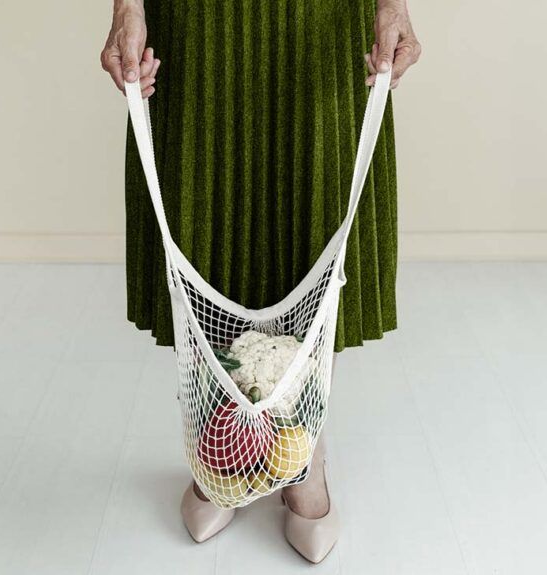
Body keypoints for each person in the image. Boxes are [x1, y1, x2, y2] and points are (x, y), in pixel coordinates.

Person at [100, 0, 420, 563]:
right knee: (205, 207)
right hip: (197, 18)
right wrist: (127, 7)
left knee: (320, 215)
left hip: (323, 18)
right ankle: (219, 442)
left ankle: (303, 454)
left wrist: (392, 5)